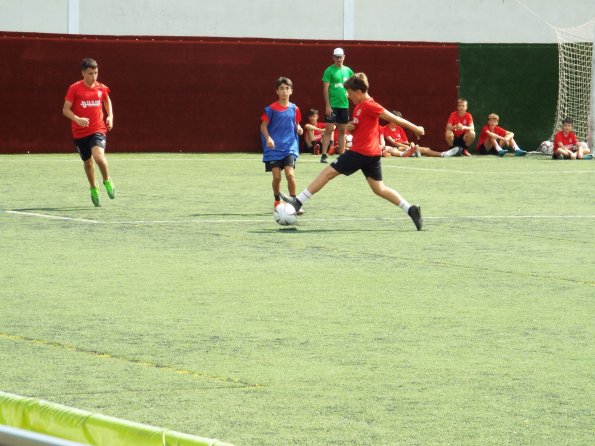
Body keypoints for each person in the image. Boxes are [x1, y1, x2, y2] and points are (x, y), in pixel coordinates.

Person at [284, 73, 425, 231]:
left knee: (327, 173)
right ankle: (410, 209)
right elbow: (364, 125)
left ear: (358, 92)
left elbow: (395, 118)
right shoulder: (359, 106)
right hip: (371, 154)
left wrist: (416, 128)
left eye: (350, 93)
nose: (348, 96)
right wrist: (352, 126)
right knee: (379, 188)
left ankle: (298, 202)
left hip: (361, 152)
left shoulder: (371, 105)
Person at [62, 57, 116, 207]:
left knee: (99, 157)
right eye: (91, 73)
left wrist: (110, 116)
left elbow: (106, 100)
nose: (94, 77)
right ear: (83, 73)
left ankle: (107, 180)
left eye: (96, 73)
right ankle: (93, 188)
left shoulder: (101, 88)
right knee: (88, 163)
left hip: (97, 129)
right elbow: (65, 110)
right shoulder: (75, 88)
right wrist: (77, 119)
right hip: (79, 133)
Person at [260, 76, 304, 214]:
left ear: (291, 91)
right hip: (273, 149)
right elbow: (263, 126)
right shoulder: (271, 109)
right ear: (277, 91)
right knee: (277, 177)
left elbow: (296, 124)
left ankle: (294, 203)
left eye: (287, 89)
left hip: (289, 146)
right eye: (281, 89)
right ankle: (277, 200)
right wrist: (268, 138)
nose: (284, 91)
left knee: (290, 174)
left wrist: (299, 128)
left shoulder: (295, 108)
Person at [320, 47, 354, 163]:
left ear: (344, 57)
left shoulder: (348, 71)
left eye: (341, 57)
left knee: (342, 131)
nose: (339, 59)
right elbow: (325, 88)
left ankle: (342, 156)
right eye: (337, 57)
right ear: (333, 58)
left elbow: (353, 85)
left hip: (344, 106)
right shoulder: (329, 71)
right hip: (333, 105)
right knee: (329, 129)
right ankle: (324, 154)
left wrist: (350, 94)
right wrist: (327, 105)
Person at [384, 111, 461, 158]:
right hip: (396, 148)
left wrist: (411, 143)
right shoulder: (385, 129)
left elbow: (405, 141)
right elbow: (393, 143)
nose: (397, 122)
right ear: (391, 119)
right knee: (403, 148)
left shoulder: (399, 129)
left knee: (426, 149)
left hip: (406, 146)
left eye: (399, 120)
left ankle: (443, 154)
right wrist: (407, 146)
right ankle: (413, 153)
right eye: (396, 120)